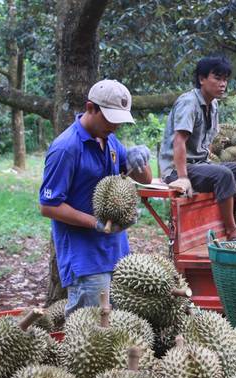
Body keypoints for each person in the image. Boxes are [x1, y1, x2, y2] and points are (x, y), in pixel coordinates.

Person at [39, 79, 152, 317]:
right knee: (91, 334)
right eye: (109, 118)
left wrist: (139, 159)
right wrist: (96, 223)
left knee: (119, 330)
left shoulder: (110, 139)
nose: (115, 125)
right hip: (85, 259)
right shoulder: (66, 148)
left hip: (117, 252)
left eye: (119, 120)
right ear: (91, 107)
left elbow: (145, 179)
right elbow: (49, 206)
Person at [159, 56, 236, 241]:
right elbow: (179, 141)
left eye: (225, 79)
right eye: (217, 78)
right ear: (202, 79)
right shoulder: (189, 102)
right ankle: (232, 230)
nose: (223, 84)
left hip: (200, 164)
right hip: (177, 169)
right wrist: (182, 178)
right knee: (222, 174)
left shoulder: (213, 104)